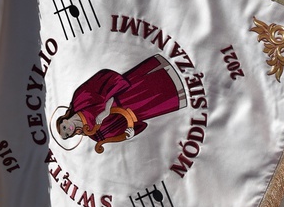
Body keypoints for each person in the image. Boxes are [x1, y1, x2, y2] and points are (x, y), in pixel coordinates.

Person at [56, 54, 186, 153]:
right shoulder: (95, 135)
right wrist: (129, 134)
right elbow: (124, 130)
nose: (68, 131)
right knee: (168, 95)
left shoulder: (79, 99)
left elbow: (104, 80)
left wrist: (106, 109)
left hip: (128, 92)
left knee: (161, 77)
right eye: (67, 135)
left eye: (64, 128)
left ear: (64, 119)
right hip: (139, 109)